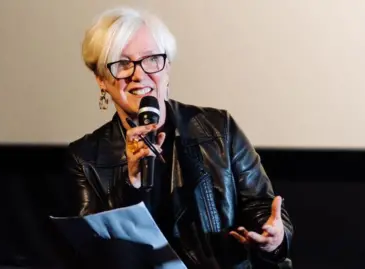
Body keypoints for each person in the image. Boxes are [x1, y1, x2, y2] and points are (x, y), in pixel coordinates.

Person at [64, 6, 293, 269]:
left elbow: (261, 206)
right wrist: (131, 184)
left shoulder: (218, 128)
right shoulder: (85, 158)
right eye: (123, 64)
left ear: (167, 66)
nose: (139, 74)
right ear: (101, 80)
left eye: (151, 59)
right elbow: (95, 250)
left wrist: (273, 239)